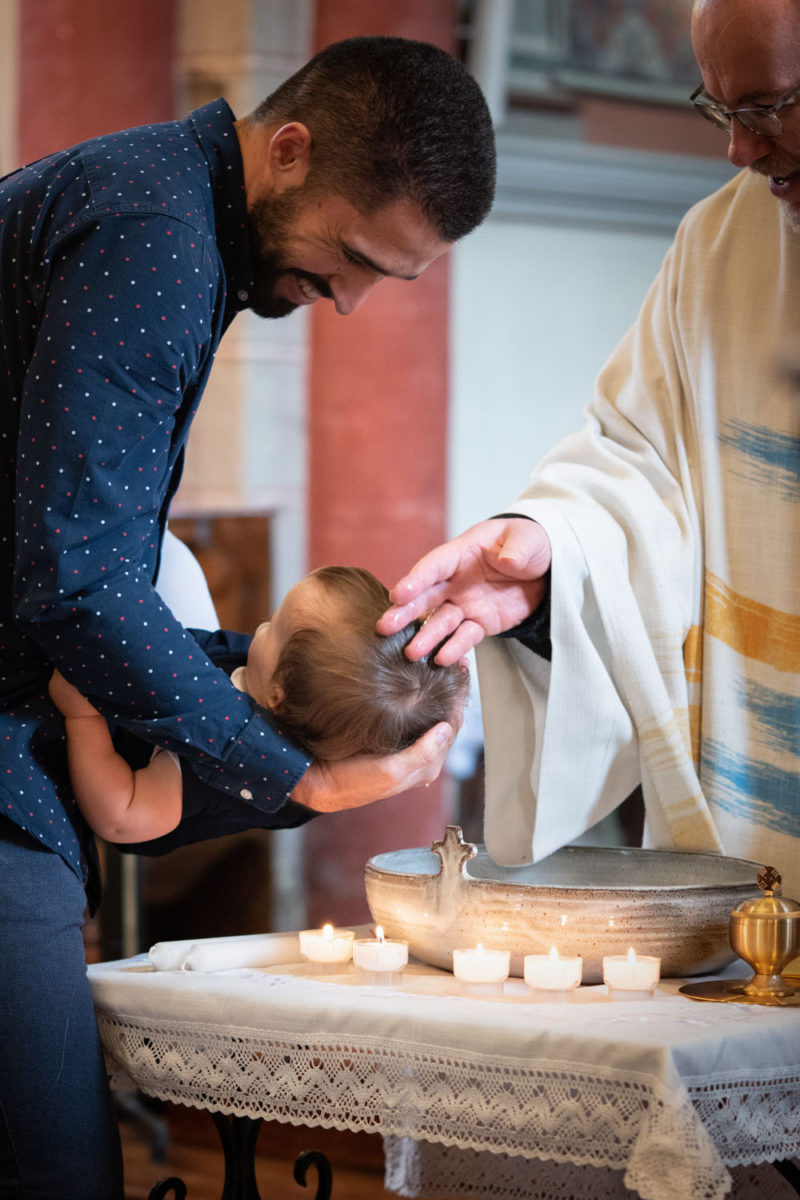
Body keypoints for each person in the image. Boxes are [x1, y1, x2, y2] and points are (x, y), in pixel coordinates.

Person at [0, 35, 494, 1199]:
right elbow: (72, 582)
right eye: (354, 258)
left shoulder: (172, 218)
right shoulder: (155, 242)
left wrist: (304, 691)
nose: (354, 303)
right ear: (286, 151)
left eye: (391, 280)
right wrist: (290, 773)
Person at [379, 0, 800, 913]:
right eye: (722, 111)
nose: (741, 149)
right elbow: (639, 465)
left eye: (769, 108)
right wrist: (550, 555)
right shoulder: (720, 246)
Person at [49, 567, 469, 845]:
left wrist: (83, 718)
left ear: (279, 693)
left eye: (274, 624)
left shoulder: (224, 769)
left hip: (115, 766)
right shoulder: (269, 675)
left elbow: (122, 817)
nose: (261, 626)